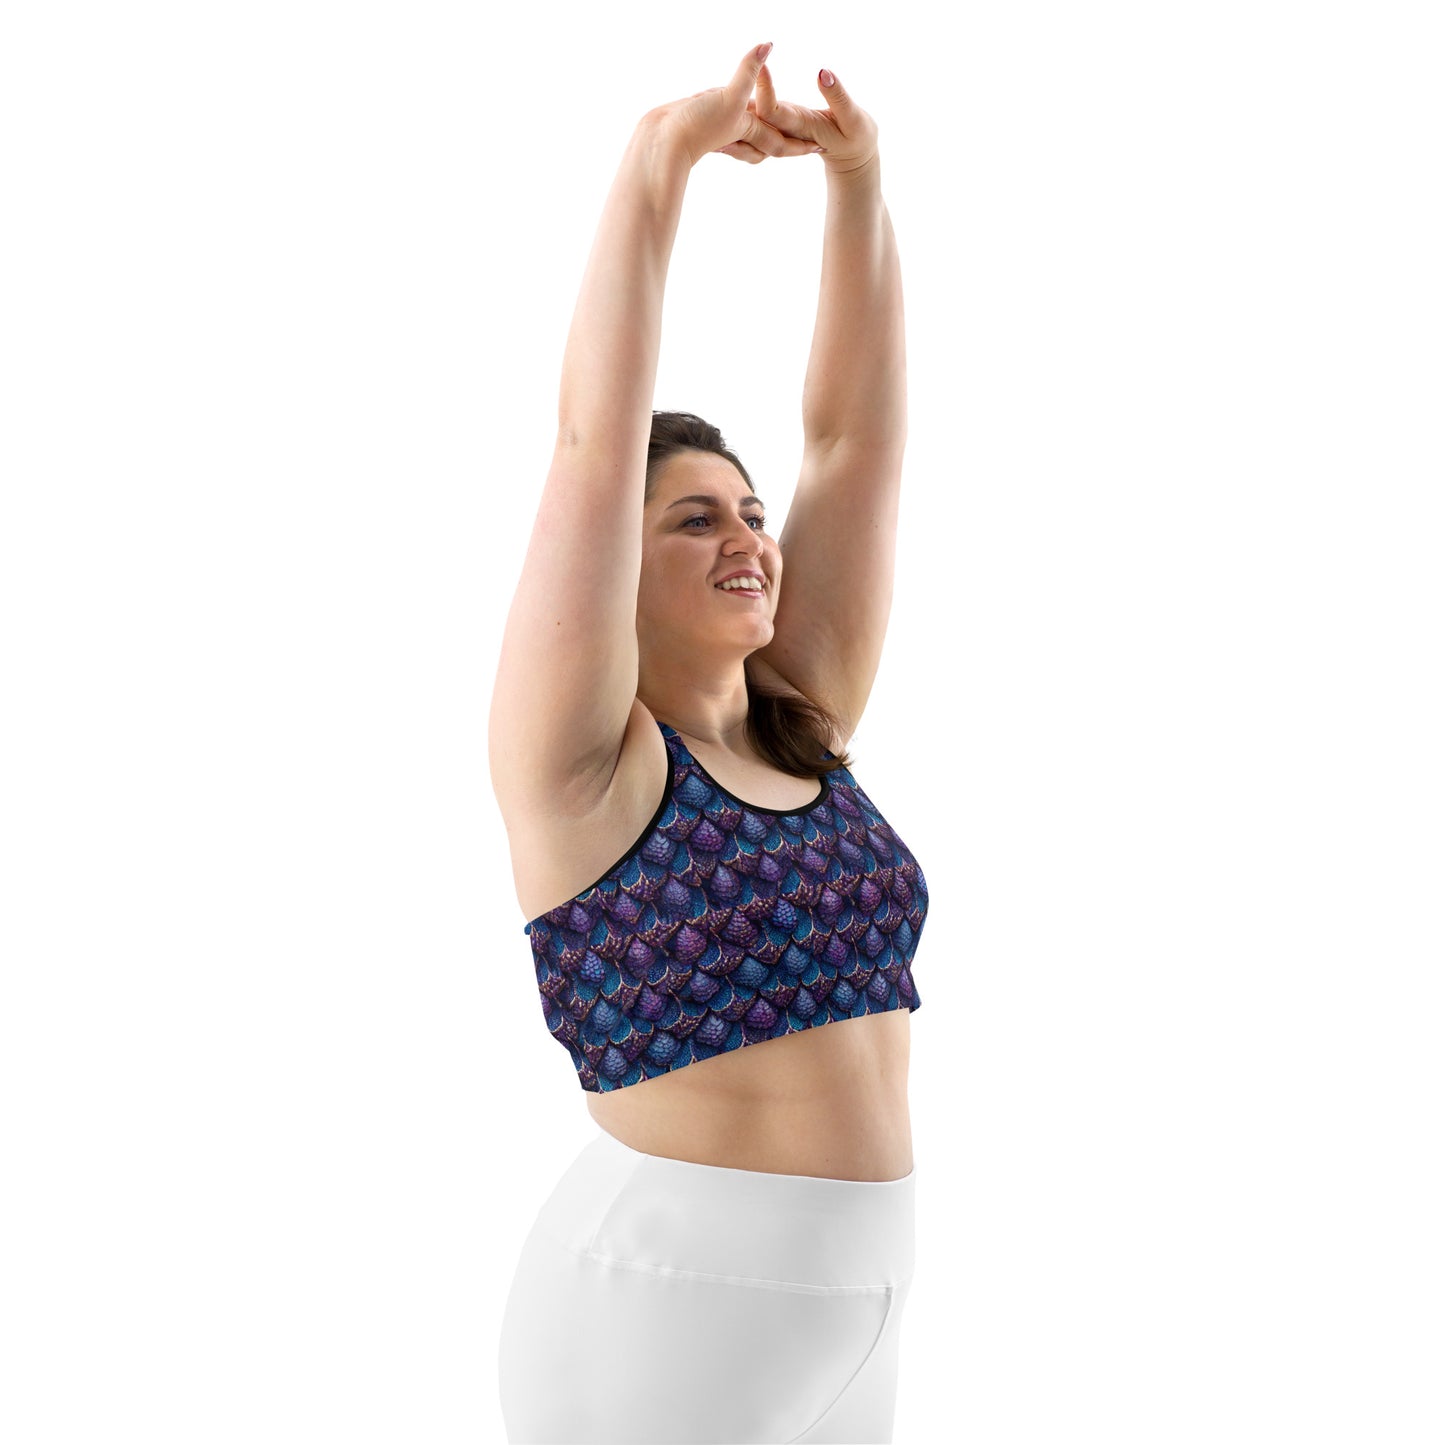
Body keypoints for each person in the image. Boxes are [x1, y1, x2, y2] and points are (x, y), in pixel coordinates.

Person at [489, 41, 927, 1444]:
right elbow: (590, 440)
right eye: (694, 519)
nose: (748, 537)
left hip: (863, 1301)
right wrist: (658, 160)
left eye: (749, 512)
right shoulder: (587, 769)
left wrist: (857, 185)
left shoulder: (804, 721)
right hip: (668, 1307)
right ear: (607, 565)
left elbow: (853, 445)